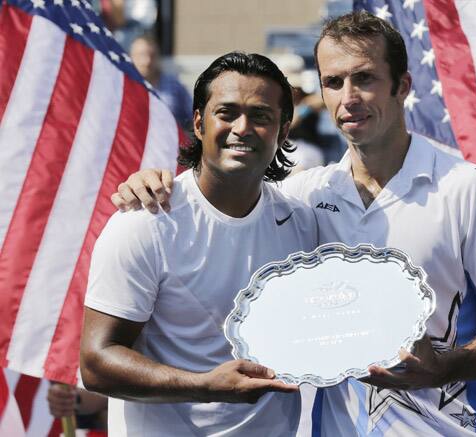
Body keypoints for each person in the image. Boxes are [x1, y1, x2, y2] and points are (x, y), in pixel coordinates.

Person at [112, 11, 476, 436]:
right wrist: (150, 182)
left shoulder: (467, 187)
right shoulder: (304, 197)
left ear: (403, 86)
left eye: (365, 79)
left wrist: (445, 368)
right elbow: (217, 200)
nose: (348, 97)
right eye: (333, 82)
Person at [80, 51, 318, 436]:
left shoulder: (304, 224)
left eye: (260, 116)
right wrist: (205, 386)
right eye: (226, 113)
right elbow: (95, 363)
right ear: (198, 122)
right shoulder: (144, 222)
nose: (242, 127)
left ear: (283, 130)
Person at [130, 34, 193, 130]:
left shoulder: (174, 86)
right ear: (131, 58)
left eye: (152, 55)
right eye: (142, 55)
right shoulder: (124, 88)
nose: (147, 61)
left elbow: (192, 118)